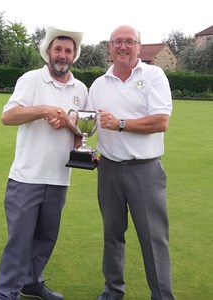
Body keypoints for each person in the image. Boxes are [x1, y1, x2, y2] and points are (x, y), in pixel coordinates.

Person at [0, 26, 87, 300]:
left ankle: (31, 283)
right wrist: (45, 110)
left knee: (46, 238)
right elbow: (8, 116)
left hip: (59, 178)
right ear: (48, 52)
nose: (62, 54)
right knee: (19, 242)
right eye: (57, 49)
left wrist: (69, 125)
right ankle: (7, 293)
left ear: (74, 55)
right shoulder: (31, 79)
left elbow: (82, 132)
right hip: (27, 177)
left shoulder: (81, 89)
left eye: (68, 50)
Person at [87, 25, 176, 300]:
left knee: (153, 240)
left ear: (139, 46)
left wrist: (120, 124)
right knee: (112, 234)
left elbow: (161, 121)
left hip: (145, 171)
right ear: (109, 48)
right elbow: (88, 123)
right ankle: (113, 291)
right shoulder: (99, 84)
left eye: (129, 41)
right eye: (117, 42)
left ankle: (162, 296)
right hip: (109, 169)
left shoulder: (154, 75)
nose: (123, 46)